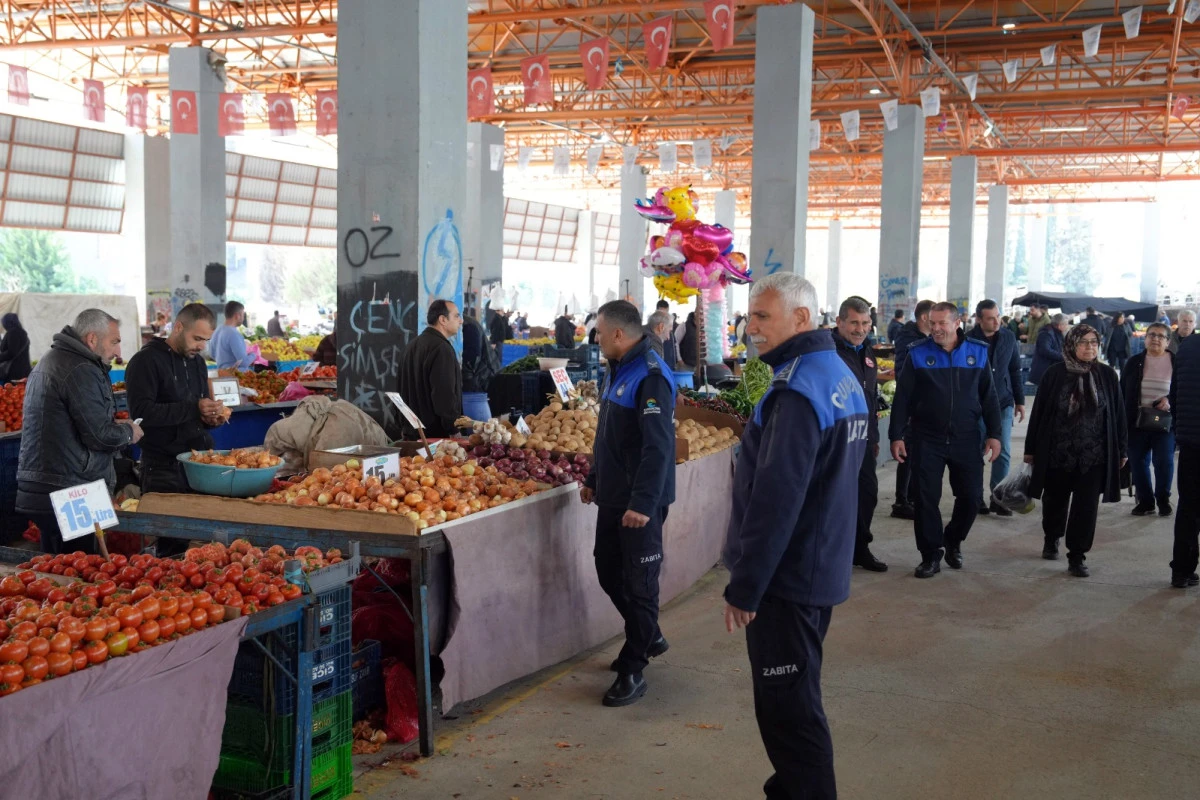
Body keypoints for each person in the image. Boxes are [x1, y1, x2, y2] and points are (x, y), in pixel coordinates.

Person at [723, 273, 867, 799]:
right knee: (793, 697)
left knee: (791, 712)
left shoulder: (796, 391)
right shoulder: (838, 374)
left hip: (788, 577)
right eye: (749, 316)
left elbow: (776, 499)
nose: (750, 328)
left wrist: (745, 586)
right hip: (817, 563)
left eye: (762, 317)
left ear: (800, 318)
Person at [580, 299, 677, 707]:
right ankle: (648, 633)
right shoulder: (618, 367)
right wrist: (594, 478)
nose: (596, 339)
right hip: (613, 497)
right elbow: (610, 435)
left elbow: (658, 448)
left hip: (640, 504)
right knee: (607, 569)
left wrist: (642, 503)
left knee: (639, 585)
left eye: (599, 333)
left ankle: (633, 666)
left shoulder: (651, 375)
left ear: (618, 333)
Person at [16, 310, 144, 554]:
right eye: (114, 342)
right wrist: (128, 432)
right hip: (72, 489)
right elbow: (98, 436)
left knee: (58, 568)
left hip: (49, 485)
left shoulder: (52, 358)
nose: (118, 352)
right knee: (80, 571)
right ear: (92, 339)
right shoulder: (80, 369)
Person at [889, 302, 1001, 578]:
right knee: (926, 498)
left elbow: (989, 397)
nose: (936, 328)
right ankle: (930, 555)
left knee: (972, 497)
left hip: (966, 437)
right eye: (932, 323)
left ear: (957, 323)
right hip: (927, 437)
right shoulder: (918, 354)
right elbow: (902, 398)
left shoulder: (977, 352)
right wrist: (896, 435)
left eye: (942, 323)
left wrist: (995, 434)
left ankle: (953, 539)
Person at [1024, 325, 1126, 576]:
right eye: (1083, 342)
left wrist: (1122, 449)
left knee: (1086, 506)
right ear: (1071, 345)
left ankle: (1077, 555)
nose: (1089, 347)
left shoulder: (1107, 375)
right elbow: (1038, 414)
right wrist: (1031, 449)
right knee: (1054, 501)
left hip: (1094, 455)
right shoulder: (1054, 374)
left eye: (1093, 342)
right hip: (1058, 452)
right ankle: (1052, 537)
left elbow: (1118, 414)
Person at [126, 304, 226, 498]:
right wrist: (194, 408)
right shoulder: (145, 360)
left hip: (200, 464)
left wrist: (210, 418)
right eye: (197, 338)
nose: (201, 346)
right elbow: (141, 414)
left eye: (206, 340)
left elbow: (197, 411)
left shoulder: (198, 362)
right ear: (178, 327)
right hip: (163, 469)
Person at [832, 296, 887, 572]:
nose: (860, 328)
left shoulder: (867, 352)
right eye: (854, 322)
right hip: (835, 438)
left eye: (865, 322)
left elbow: (871, 397)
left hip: (863, 437)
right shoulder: (827, 352)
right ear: (839, 321)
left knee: (867, 492)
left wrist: (874, 438)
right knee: (835, 495)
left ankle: (860, 548)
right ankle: (831, 551)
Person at [970, 300, 1026, 517]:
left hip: (1002, 402)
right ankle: (975, 498)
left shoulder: (1008, 337)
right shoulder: (966, 340)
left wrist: (1019, 400)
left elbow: (1015, 370)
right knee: (974, 453)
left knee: (1002, 452)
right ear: (979, 319)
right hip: (974, 405)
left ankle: (998, 498)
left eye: (998, 316)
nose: (997, 321)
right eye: (991, 318)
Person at [1121, 322, 1175, 517]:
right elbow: (1122, 390)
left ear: (1168, 341)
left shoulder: (1176, 362)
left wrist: (1169, 400)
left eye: (1161, 336)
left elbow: (1183, 391)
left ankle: (1163, 499)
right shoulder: (1134, 362)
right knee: (1138, 462)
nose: (1155, 339)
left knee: (1164, 461)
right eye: (1152, 335)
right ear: (1145, 339)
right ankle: (1145, 501)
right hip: (1137, 421)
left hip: (1165, 422)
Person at [890, 299, 934, 520]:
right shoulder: (909, 338)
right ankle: (901, 501)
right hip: (910, 402)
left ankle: (912, 497)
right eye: (934, 319)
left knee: (917, 452)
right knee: (907, 453)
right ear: (925, 318)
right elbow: (905, 368)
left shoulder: (923, 338)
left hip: (924, 403)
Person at [398, 299, 462, 438]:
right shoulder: (442, 349)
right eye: (457, 316)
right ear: (443, 320)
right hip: (435, 438)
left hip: (410, 433)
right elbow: (443, 394)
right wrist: (453, 428)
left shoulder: (411, 345)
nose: (461, 321)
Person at [1169, 331, 1200, 587]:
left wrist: (1182, 430)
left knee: (1189, 507)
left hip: (1191, 441)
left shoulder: (1188, 346)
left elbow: (1174, 393)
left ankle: (1181, 569)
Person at [207, 301, 256, 371]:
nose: (243, 318)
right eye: (242, 315)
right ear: (237, 316)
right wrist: (254, 354)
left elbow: (212, 354)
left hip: (222, 374)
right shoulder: (233, 334)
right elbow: (244, 362)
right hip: (235, 377)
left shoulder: (217, 330)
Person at [461, 311, 499, 396]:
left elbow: (472, 354)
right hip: (479, 373)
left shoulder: (468, 325)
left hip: (482, 374)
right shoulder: (467, 323)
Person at [1029, 313, 1068, 384]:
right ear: (1059, 325)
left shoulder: (1058, 333)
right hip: (1044, 370)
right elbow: (1045, 350)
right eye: (1066, 324)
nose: (1067, 326)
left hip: (1052, 369)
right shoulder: (1046, 333)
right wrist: (1064, 357)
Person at [0, 313, 31, 383]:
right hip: (24, 369)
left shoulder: (13, 332)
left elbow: (12, 352)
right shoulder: (23, 332)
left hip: (14, 371)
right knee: (20, 391)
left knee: (12, 391)